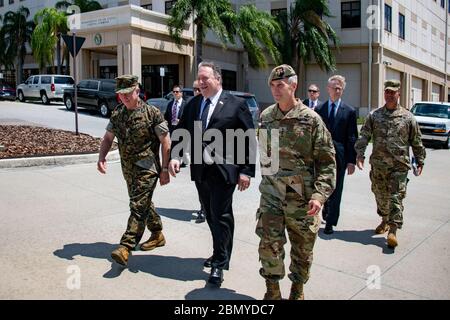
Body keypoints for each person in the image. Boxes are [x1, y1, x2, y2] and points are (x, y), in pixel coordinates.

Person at [168, 61, 255, 286]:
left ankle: (219, 263)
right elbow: (182, 131)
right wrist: (176, 157)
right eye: (199, 78)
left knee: (221, 214)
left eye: (205, 78)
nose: (201, 82)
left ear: (218, 79)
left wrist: (246, 171)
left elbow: (248, 138)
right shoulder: (195, 104)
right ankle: (220, 250)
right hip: (201, 170)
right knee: (210, 213)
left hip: (225, 171)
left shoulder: (236, 104)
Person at [256, 64, 336, 300]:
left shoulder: (311, 120)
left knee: (302, 249)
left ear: (293, 85)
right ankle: (272, 291)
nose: (275, 90)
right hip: (271, 196)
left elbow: (327, 162)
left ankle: (297, 290)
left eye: (280, 85)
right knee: (269, 245)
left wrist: (319, 195)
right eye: (272, 85)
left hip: (301, 199)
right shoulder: (266, 116)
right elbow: (266, 157)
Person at [97, 75, 171, 266]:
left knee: (137, 206)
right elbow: (107, 138)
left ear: (137, 91)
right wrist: (101, 157)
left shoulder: (152, 113)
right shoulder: (118, 113)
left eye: (128, 93)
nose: (125, 97)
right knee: (142, 203)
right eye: (121, 94)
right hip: (128, 169)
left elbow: (166, 141)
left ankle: (126, 247)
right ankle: (157, 234)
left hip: (148, 169)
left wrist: (164, 168)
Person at [354, 80, 426, 248]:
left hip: (399, 166)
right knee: (380, 196)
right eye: (387, 92)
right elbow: (364, 135)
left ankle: (393, 229)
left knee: (396, 198)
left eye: (393, 92)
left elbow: (416, 141)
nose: (389, 95)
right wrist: (360, 154)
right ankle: (385, 219)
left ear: (398, 94)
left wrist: (420, 159)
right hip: (378, 166)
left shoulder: (408, 117)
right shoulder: (375, 115)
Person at [315, 75, 358, 234]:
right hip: (322, 156)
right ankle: (325, 211)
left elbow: (352, 136)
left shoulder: (350, 111)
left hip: (340, 157)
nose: (337, 91)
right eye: (334, 88)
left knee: (336, 189)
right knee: (322, 186)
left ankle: (330, 222)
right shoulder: (319, 109)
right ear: (328, 89)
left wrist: (351, 160)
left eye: (339, 88)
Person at [192, 80, 206, 224]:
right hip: (196, 150)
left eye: (199, 89)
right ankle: (203, 207)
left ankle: (207, 208)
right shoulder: (193, 105)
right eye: (194, 89)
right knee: (199, 182)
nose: (197, 91)